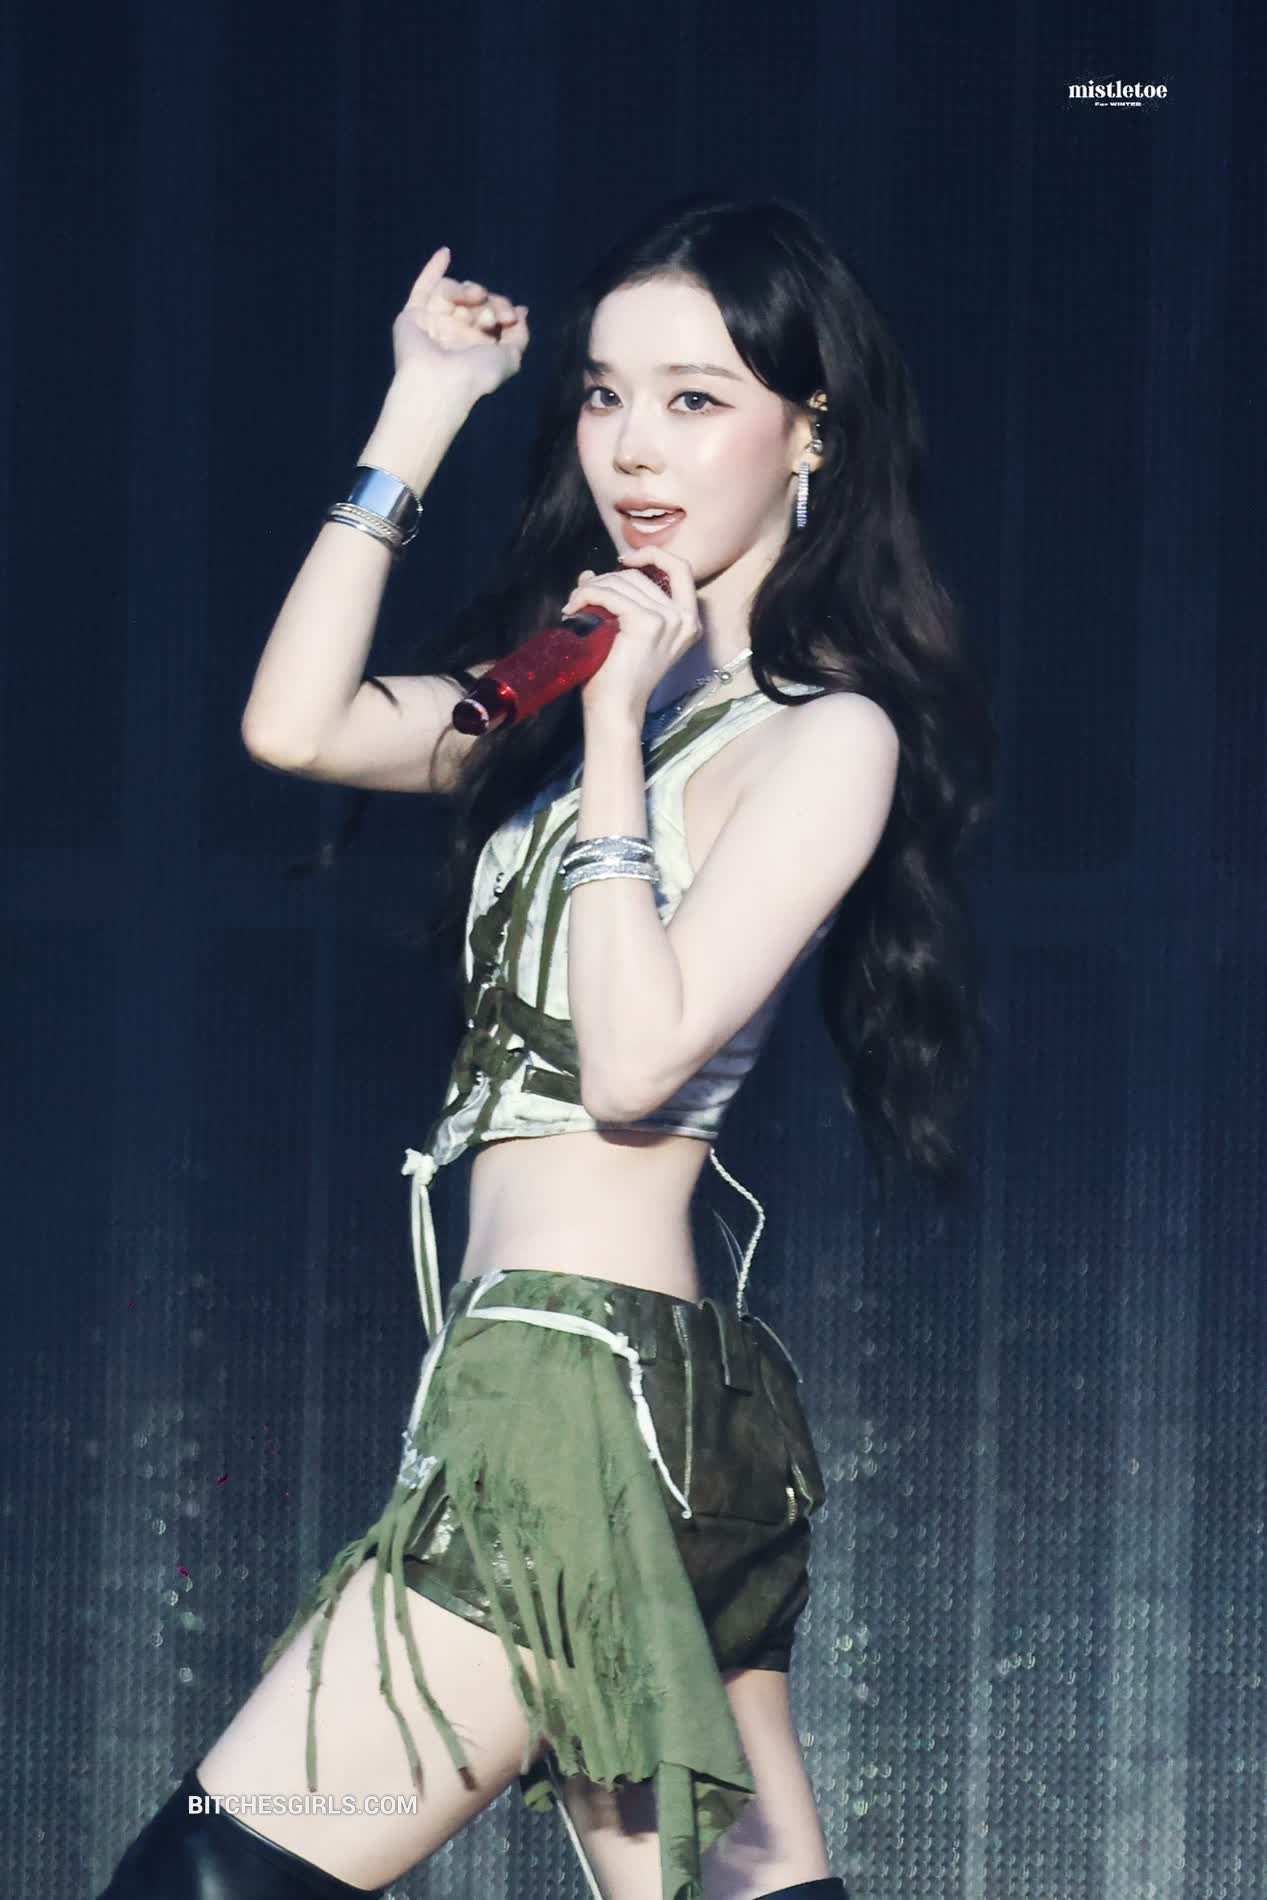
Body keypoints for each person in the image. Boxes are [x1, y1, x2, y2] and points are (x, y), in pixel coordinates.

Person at [97, 194, 994, 1900]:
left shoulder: (825, 736)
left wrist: (609, 736)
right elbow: (296, 723)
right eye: (602, 395)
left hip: (584, 1395)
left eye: (695, 398)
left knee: (206, 1882)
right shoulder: (585, 682)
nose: (633, 447)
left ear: (812, 433)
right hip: (590, 1386)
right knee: (745, 1888)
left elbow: (638, 1066)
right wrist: (423, 406)